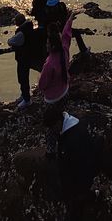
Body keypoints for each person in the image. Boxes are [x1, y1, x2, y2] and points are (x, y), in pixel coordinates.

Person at [42, 106, 100, 221]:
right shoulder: (67, 127)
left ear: (58, 122)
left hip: (79, 180)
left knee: (75, 208)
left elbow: (83, 164)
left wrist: (75, 187)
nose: (51, 131)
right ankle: (92, 196)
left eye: (52, 127)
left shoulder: (73, 138)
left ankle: (90, 197)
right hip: (75, 177)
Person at [39, 10, 77, 154]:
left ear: (51, 45)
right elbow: (67, 33)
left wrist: (42, 90)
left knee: (50, 126)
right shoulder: (64, 49)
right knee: (62, 119)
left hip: (52, 98)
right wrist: (70, 18)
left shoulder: (49, 63)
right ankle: (64, 143)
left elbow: (43, 84)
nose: (46, 45)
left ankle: (50, 151)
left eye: (47, 43)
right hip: (64, 91)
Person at [0, 13, 47, 109]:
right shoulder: (30, 28)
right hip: (31, 57)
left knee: (22, 78)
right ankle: (24, 95)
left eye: (15, 21)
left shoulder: (21, 32)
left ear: (18, 22)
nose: (15, 22)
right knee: (38, 71)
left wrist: (10, 41)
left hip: (23, 59)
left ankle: (26, 100)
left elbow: (10, 42)